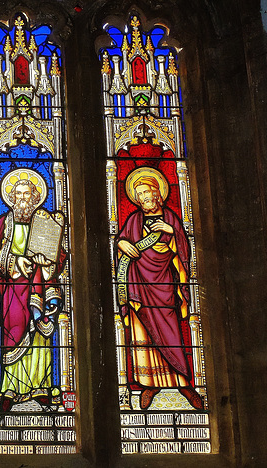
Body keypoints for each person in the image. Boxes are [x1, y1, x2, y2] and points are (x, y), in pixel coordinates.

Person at [116, 167, 203, 410]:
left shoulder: (171, 219)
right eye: (139, 194)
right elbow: (122, 239)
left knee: (171, 331)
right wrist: (123, 244)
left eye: (147, 193)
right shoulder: (134, 219)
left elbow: (183, 251)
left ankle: (183, 382)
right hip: (138, 284)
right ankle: (148, 384)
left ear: (158, 195)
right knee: (141, 333)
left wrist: (171, 232)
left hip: (164, 284)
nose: (144, 198)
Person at [0, 169, 66, 412]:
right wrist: (15, 261)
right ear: (11, 198)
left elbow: (60, 253)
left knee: (41, 337)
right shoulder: (4, 222)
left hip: (40, 286)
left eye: (27, 194)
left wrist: (48, 263)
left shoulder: (44, 221)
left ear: (35, 197)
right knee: (13, 333)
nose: (23, 199)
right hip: (14, 287)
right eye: (18, 194)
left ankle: (40, 387)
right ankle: (10, 389)